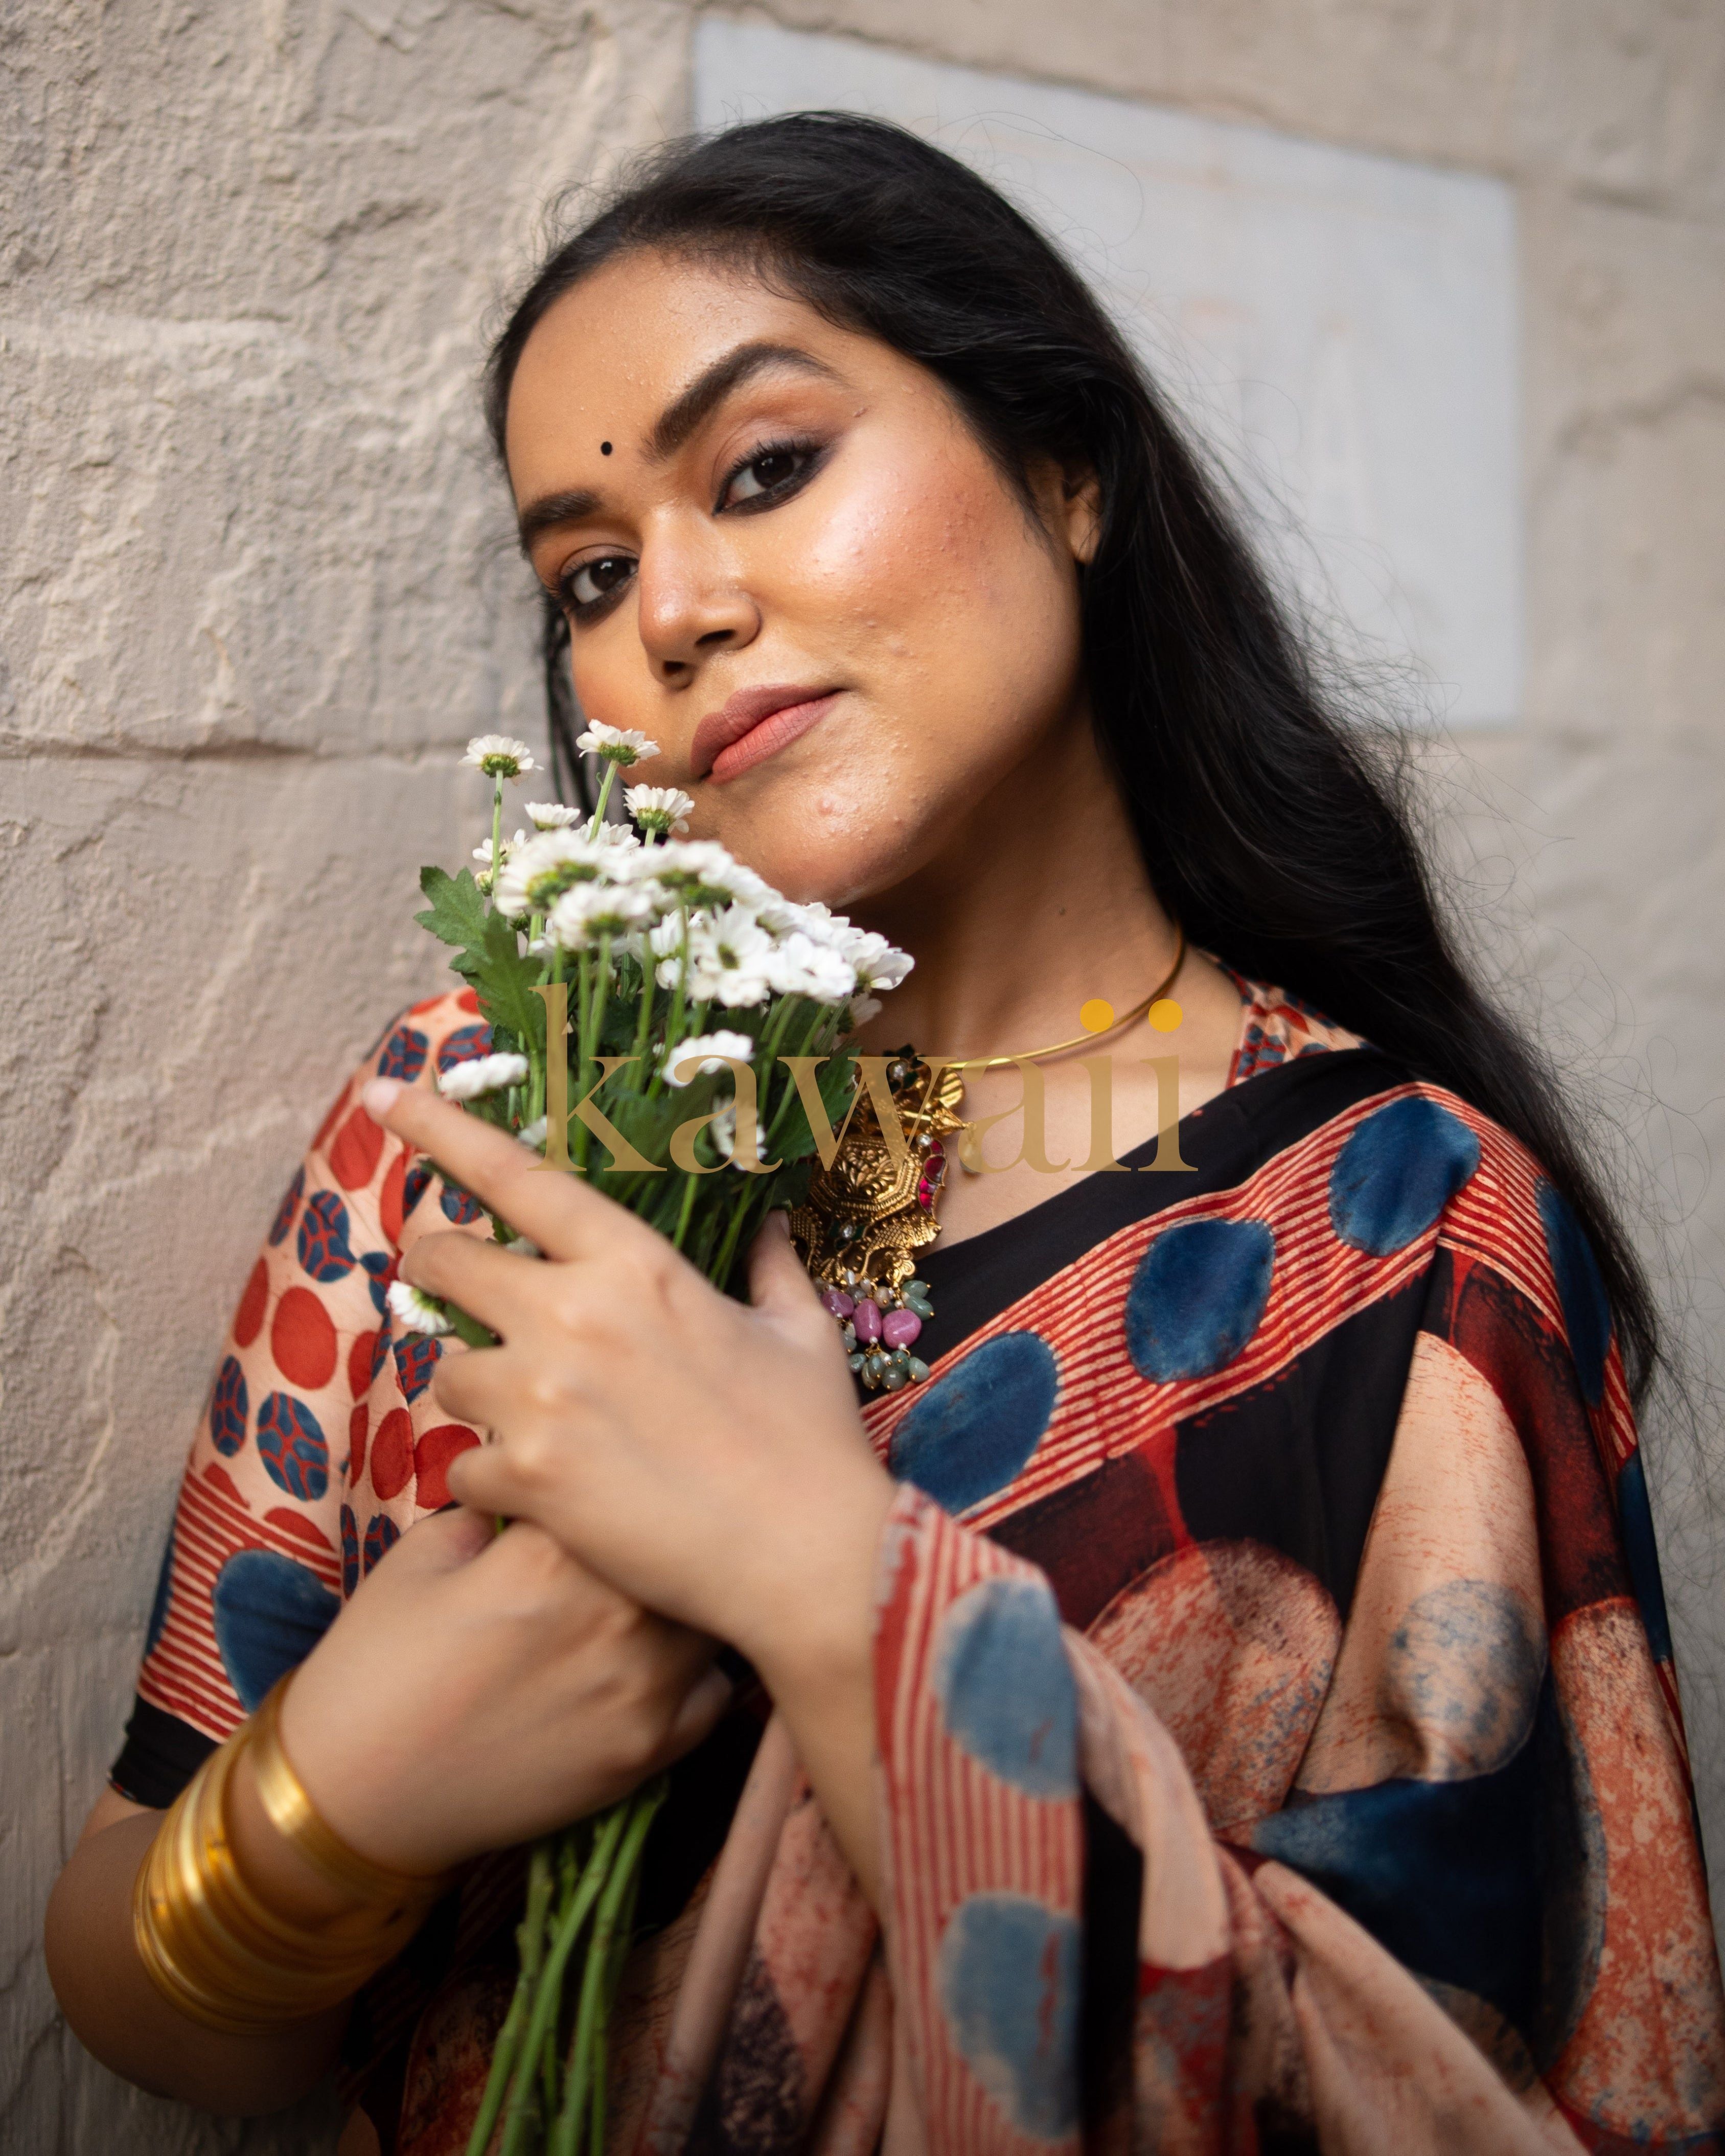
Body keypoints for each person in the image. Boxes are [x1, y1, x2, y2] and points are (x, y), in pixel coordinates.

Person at [45, 112, 1725, 2154]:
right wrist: (336, 1797)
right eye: (587, 572)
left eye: (763, 468)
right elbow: (141, 1989)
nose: (666, 611)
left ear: (1068, 468)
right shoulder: (499, 1112)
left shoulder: (1400, 1232)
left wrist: (837, 1591)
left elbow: (1481, 2097)